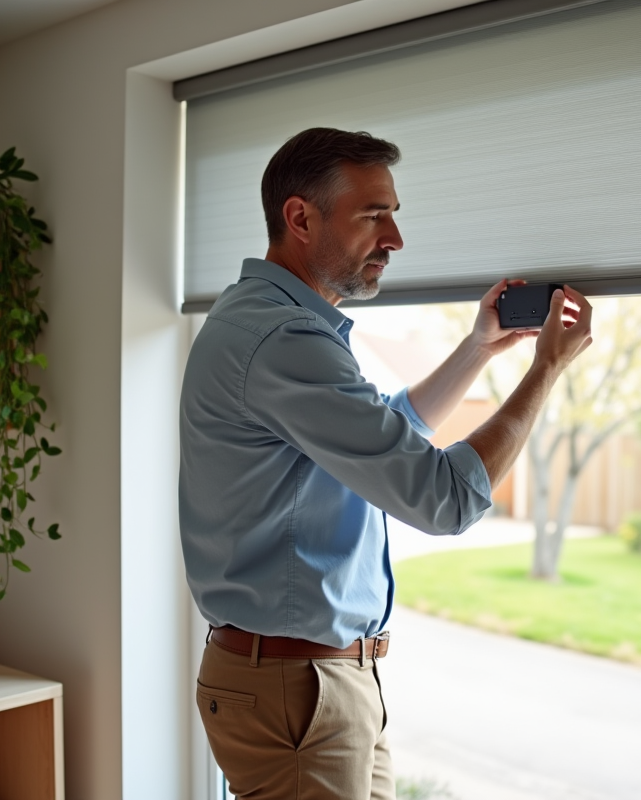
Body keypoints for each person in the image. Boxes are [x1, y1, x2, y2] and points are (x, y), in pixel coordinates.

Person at [179, 127, 593, 800]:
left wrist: (479, 350)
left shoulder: (268, 321)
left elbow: (382, 434)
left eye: (394, 214)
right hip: (297, 692)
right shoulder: (283, 339)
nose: (395, 239)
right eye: (375, 215)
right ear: (300, 218)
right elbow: (442, 499)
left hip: (321, 682)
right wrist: (546, 370)